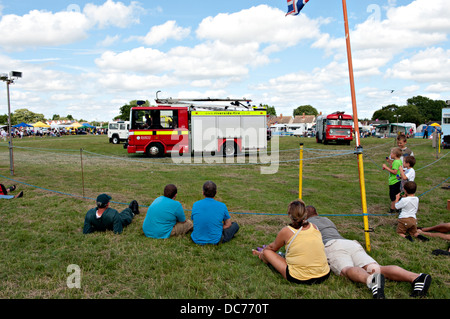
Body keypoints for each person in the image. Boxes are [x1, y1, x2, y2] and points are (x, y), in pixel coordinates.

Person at [305, 205, 432, 298]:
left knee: (346, 270)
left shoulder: (307, 224)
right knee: (376, 268)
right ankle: (416, 277)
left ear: (305, 216)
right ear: (317, 213)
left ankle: (371, 281)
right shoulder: (327, 219)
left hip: (332, 246)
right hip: (350, 243)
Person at [252, 200, 330, 285]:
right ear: (305, 214)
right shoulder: (314, 227)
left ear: (290, 215)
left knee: (267, 252)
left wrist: (264, 251)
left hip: (299, 277)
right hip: (324, 274)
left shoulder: (286, 231)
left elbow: (272, 248)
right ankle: (262, 255)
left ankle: (261, 255)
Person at [190, 181, 239, 245]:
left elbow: (194, 220)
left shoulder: (196, 204)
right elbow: (228, 224)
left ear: (203, 192)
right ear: (216, 192)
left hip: (196, 239)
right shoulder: (222, 206)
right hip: (215, 240)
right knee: (235, 225)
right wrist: (217, 228)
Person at [382, 147, 403, 213]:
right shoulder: (398, 161)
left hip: (394, 182)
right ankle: (397, 208)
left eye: (391, 153)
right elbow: (393, 167)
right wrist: (389, 162)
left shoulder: (396, 162)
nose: (390, 154)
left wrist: (386, 167)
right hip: (397, 181)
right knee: (396, 195)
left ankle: (393, 209)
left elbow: (394, 172)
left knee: (393, 196)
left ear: (395, 154)